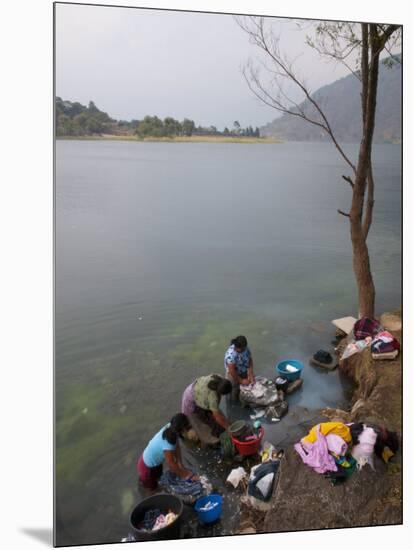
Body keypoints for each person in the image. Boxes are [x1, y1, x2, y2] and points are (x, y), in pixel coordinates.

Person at [137, 413, 196, 490]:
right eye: (187, 428)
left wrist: (179, 463)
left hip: (153, 462)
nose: (189, 430)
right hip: (147, 468)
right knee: (152, 490)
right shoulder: (168, 443)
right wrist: (186, 475)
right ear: (181, 430)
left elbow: (176, 446)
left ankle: (144, 482)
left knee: (159, 479)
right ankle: (145, 485)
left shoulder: (171, 428)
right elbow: (171, 464)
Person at [181, 374, 232, 445]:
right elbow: (217, 417)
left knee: (217, 418)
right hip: (191, 401)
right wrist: (228, 428)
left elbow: (216, 409)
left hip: (195, 390)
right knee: (205, 426)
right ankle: (211, 442)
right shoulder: (212, 396)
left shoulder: (218, 377)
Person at [224, 335, 255, 401]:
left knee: (246, 388)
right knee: (233, 392)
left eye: (244, 348)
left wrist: (250, 372)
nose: (244, 350)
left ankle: (242, 399)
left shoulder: (245, 348)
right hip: (232, 374)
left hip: (243, 370)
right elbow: (231, 370)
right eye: (242, 349)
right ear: (237, 347)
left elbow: (249, 359)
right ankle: (232, 403)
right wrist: (241, 381)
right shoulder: (231, 354)